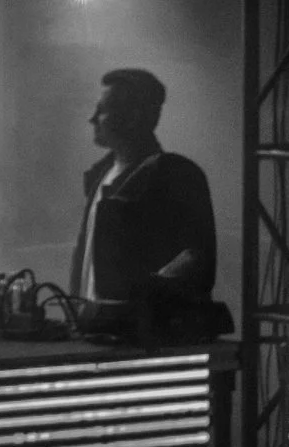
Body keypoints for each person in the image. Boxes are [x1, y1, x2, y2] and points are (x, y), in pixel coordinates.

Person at [70, 66, 217, 305]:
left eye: (102, 110)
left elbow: (195, 257)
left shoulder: (175, 177)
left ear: (133, 117)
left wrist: (143, 298)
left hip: (139, 336)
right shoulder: (100, 175)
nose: (92, 118)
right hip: (101, 331)